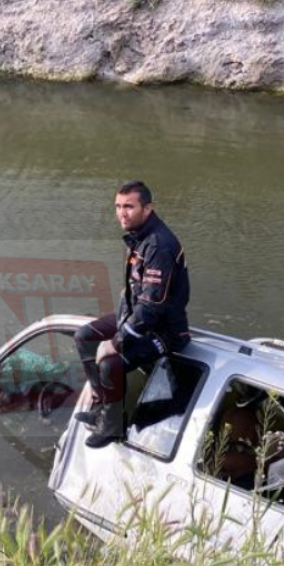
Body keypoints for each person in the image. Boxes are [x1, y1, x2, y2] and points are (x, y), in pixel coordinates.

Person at [74, 180, 191, 448]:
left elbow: (151, 308)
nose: (121, 213)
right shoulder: (139, 236)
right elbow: (136, 291)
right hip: (134, 316)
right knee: (84, 337)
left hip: (164, 330)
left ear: (148, 208)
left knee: (109, 363)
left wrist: (115, 343)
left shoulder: (159, 245)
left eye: (129, 206)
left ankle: (112, 428)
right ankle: (103, 408)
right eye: (117, 206)